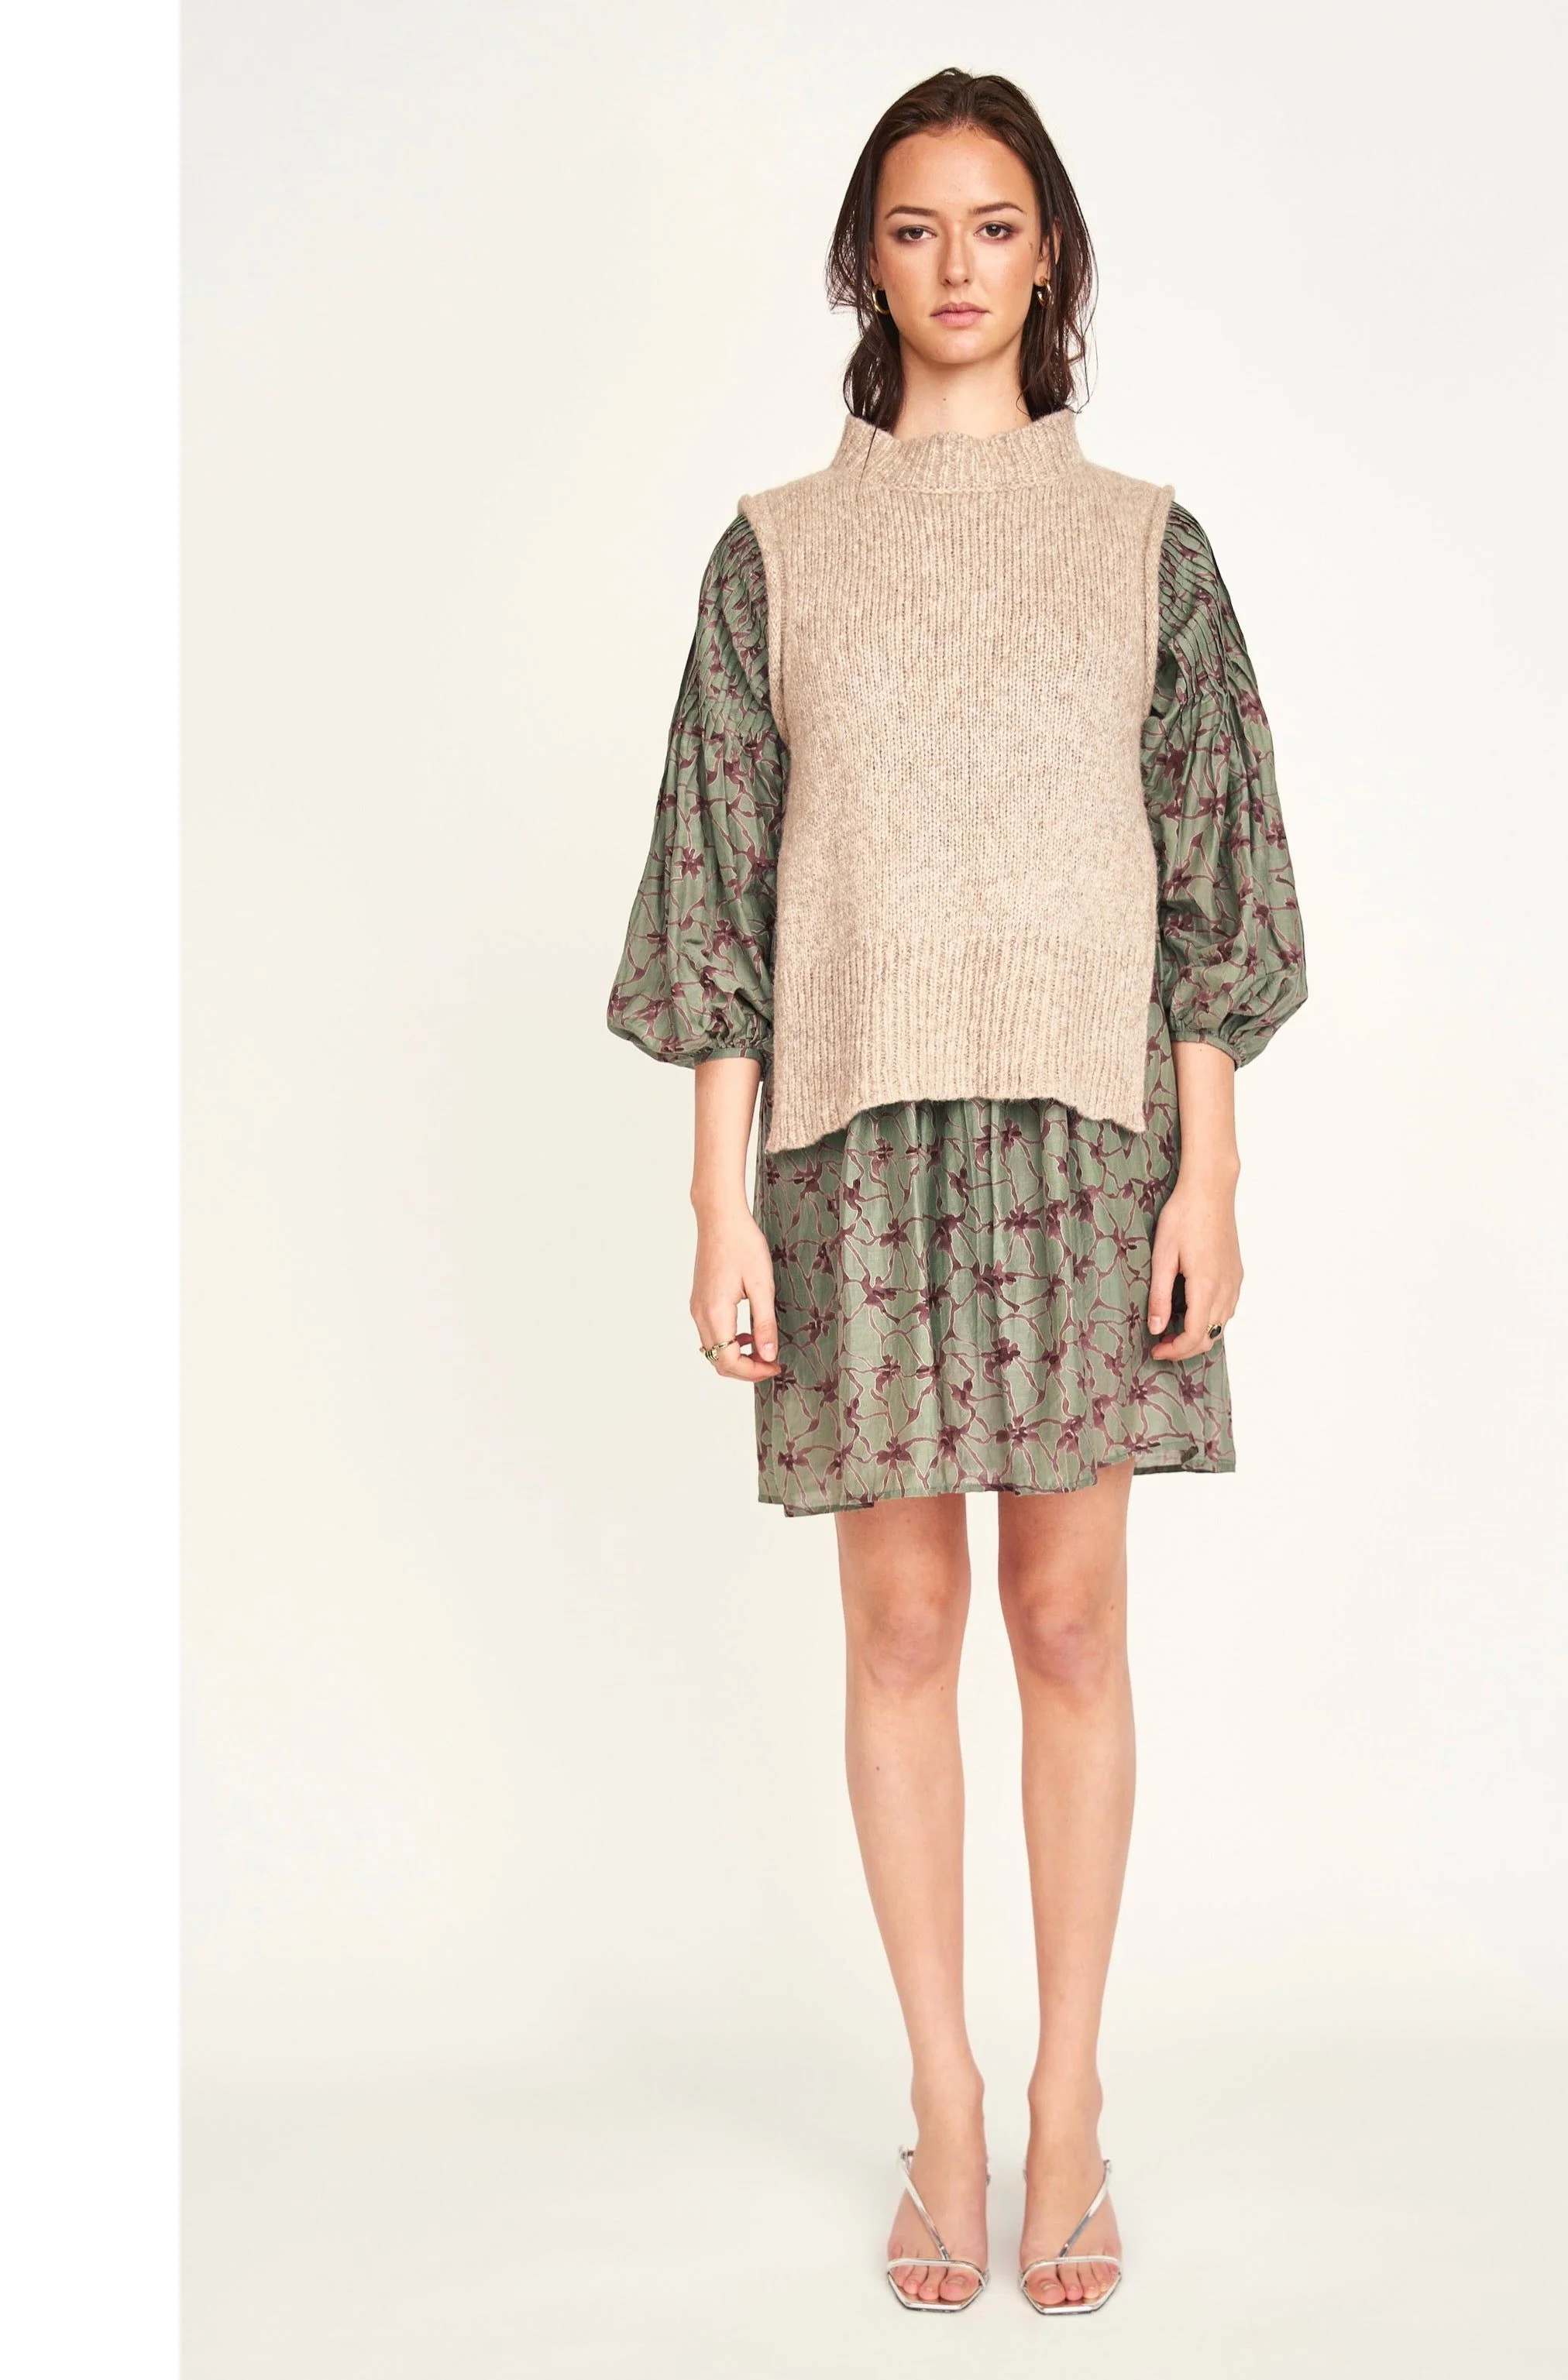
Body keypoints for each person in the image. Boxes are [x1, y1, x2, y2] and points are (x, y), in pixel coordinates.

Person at [607, 66, 1307, 2315]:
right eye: (914, 228)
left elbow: (1214, 875)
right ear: (865, 262)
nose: (957, 265)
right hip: (853, 1150)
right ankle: (944, 2096)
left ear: (1052, 255)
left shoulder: (1146, 545)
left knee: (1072, 1626)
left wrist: (1212, 1168)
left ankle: (1072, 2096)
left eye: (995, 226)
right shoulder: (776, 553)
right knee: (902, 1627)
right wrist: (718, 1202)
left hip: (1092, 1150)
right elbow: (719, 891)